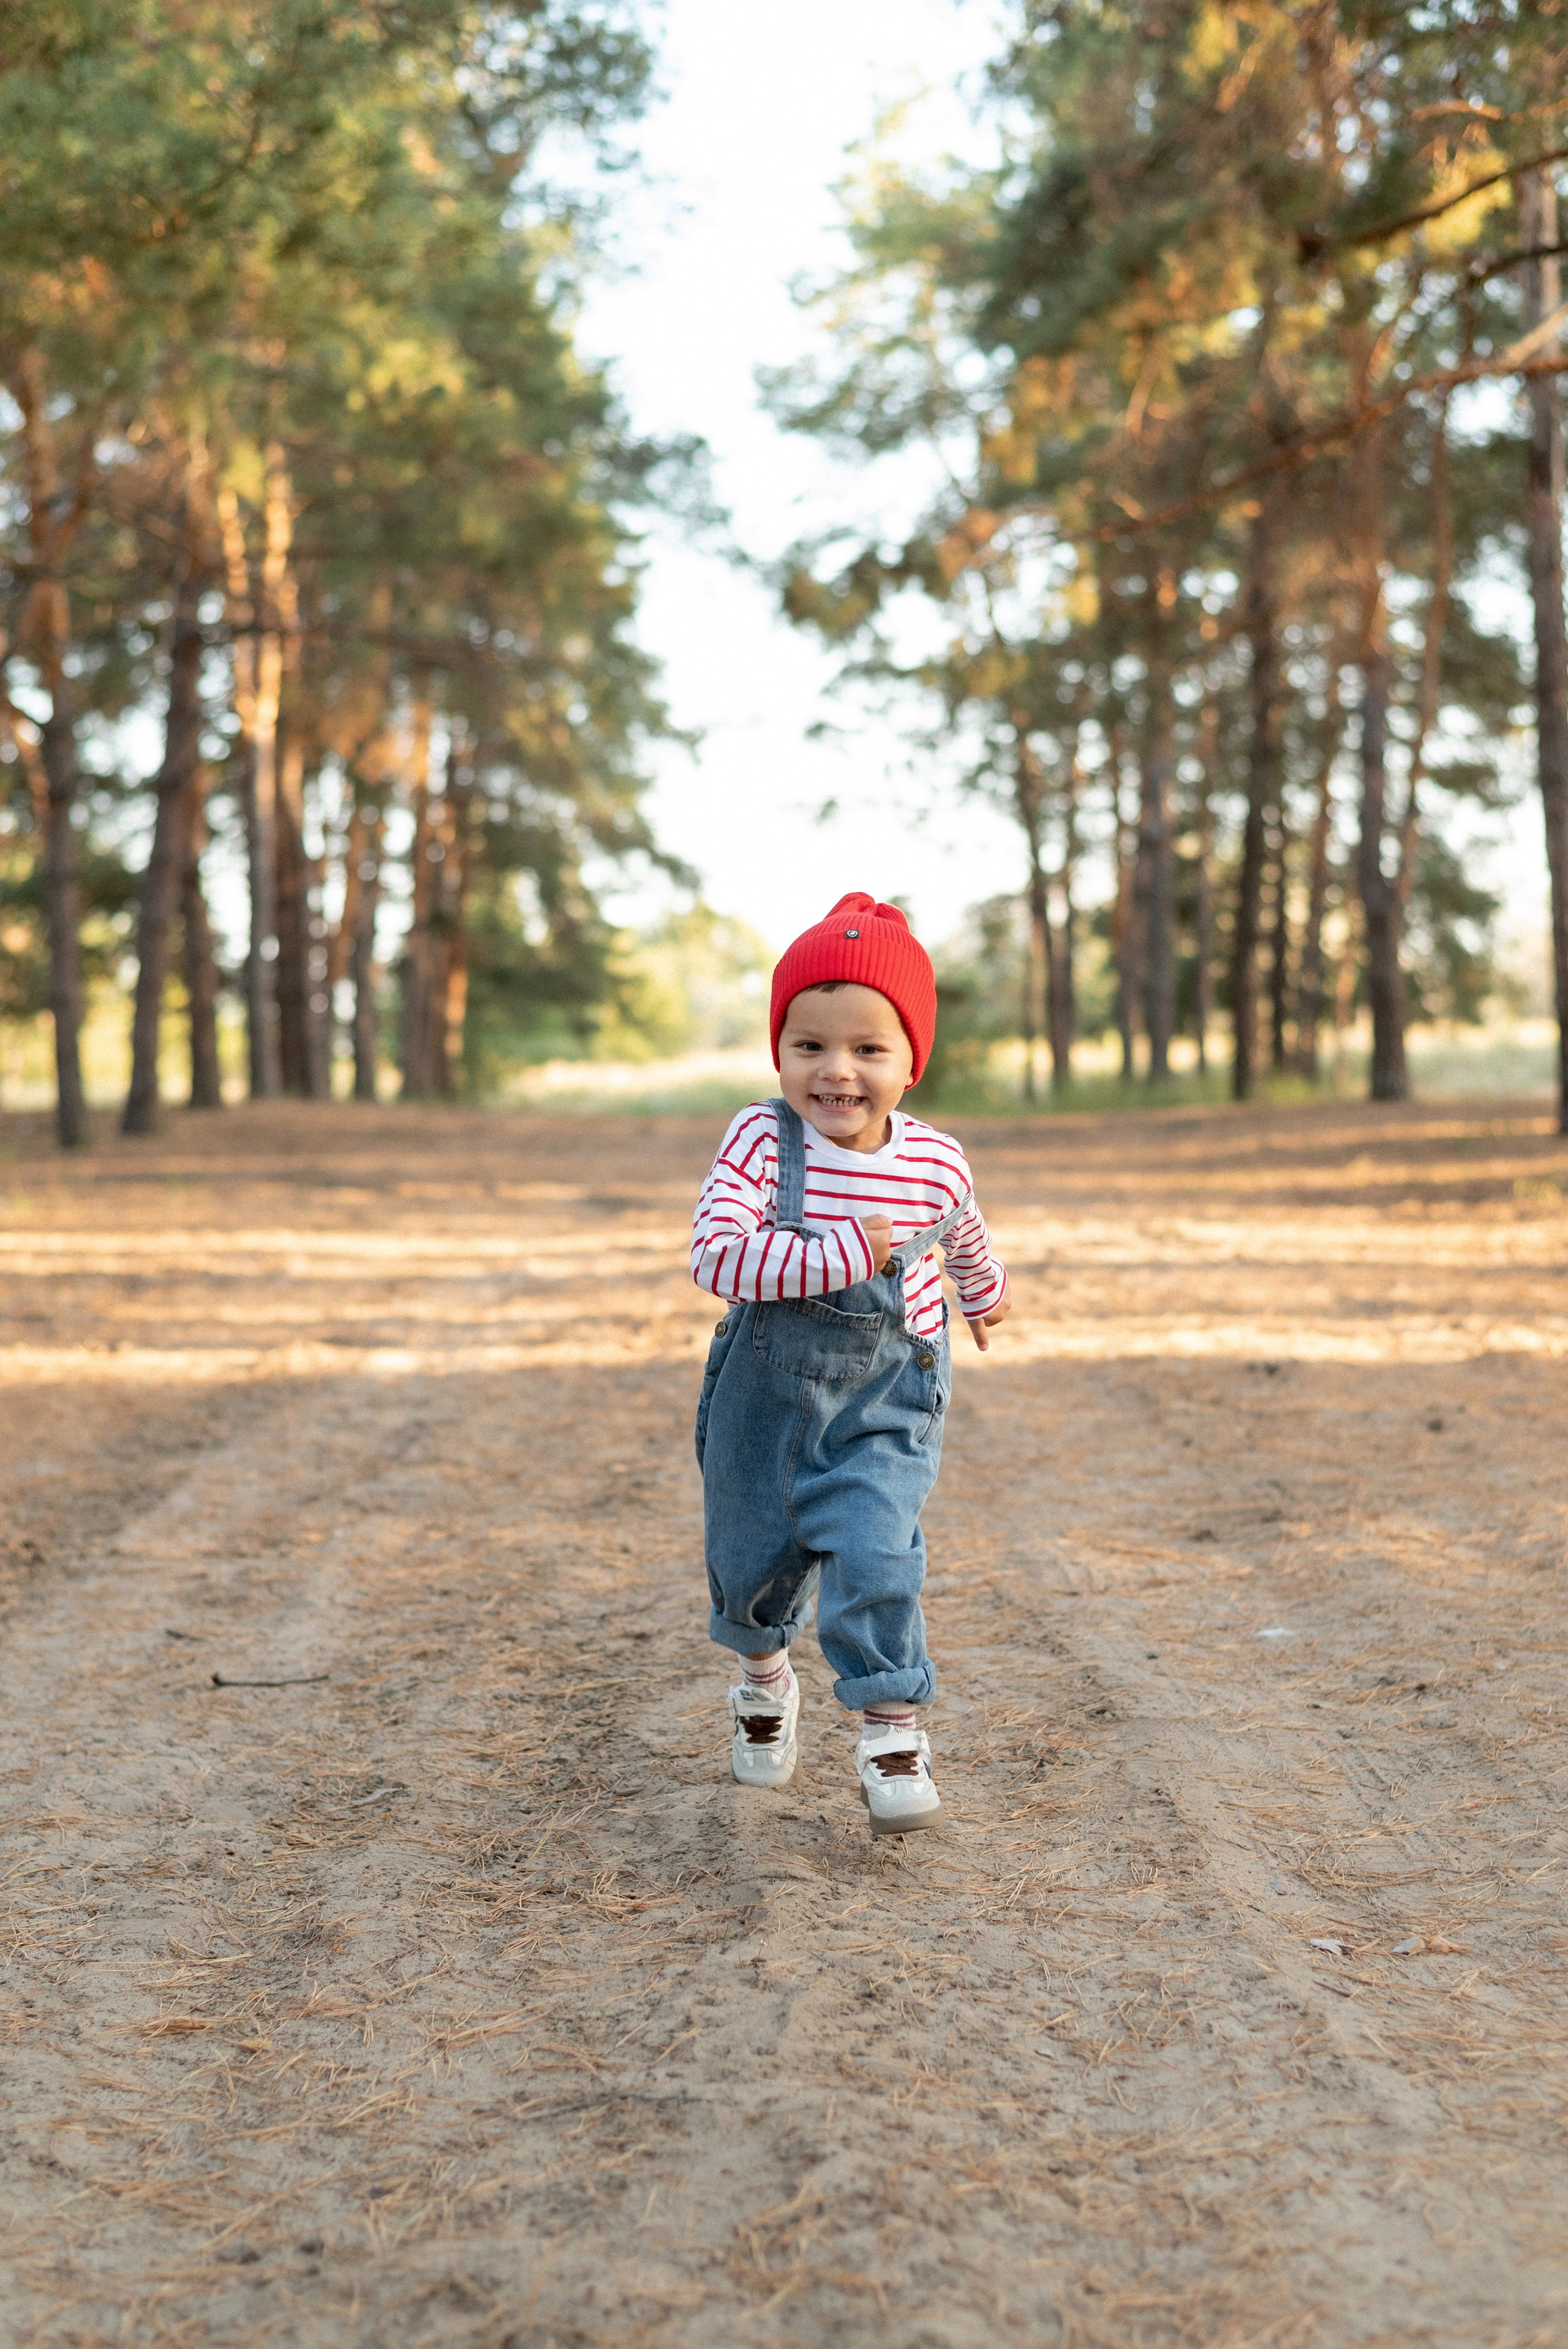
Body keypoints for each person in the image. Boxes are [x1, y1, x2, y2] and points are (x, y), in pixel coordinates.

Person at [690, 891, 1011, 1836]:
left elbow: (963, 1232)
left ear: (912, 1061)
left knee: (878, 1550)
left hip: (884, 1398)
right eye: (810, 1045)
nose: (837, 1071)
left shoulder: (936, 1162)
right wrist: (838, 1251)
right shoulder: (760, 1141)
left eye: (869, 1049)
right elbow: (715, 1256)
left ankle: (891, 1726)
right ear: (780, 1049)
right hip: (765, 1397)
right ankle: (763, 1674)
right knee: (749, 1558)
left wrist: (984, 1292)